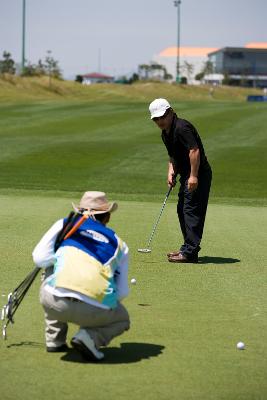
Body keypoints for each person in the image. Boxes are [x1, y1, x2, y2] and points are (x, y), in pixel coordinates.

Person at [32, 191, 130, 361]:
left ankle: (54, 340)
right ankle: (89, 337)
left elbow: (39, 259)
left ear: (79, 211)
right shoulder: (120, 244)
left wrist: (62, 255)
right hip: (93, 311)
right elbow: (121, 293)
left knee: (50, 268)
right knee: (122, 319)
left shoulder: (64, 224)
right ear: (107, 217)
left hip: (52, 303)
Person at [149, 98, 212, 263]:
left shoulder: (182, 127)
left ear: (170, 112)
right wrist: (171, 171)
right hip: (186, 174)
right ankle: (188, 248)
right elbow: (173, 155)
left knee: (191, 210)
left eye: (162, 117)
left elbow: (194, 151)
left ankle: (190, 252)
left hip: (197, 174)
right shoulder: (166, 133)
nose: (159, 121)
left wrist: (193, 176)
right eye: (156, 119)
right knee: (182, 209)